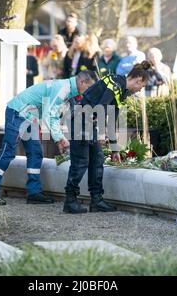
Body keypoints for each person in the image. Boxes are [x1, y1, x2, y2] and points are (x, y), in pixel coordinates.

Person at [0, 70, 98, 205]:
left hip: (30, 116)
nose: (89, 91)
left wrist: (59, 138)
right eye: (89, 87)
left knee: (35, 153)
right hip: (18, 112)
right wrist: (59, 138)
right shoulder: (63, 89)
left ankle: (34, 192)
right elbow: (49, 115)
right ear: (81, 82)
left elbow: (54, 116)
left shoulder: (69, 92)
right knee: (8, 151)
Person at [63, 61, 151, 214]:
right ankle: (70, 200)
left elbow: (113, 119)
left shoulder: (122, 91)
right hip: (80, 121)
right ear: (138, 80)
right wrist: (102, 132)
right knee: (81, 162)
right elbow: (101, 106)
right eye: (141, 87)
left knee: (97, 160)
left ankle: (96, 200)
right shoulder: (115, 83)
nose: (139, 90)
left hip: (90, 123)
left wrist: (115, 149)